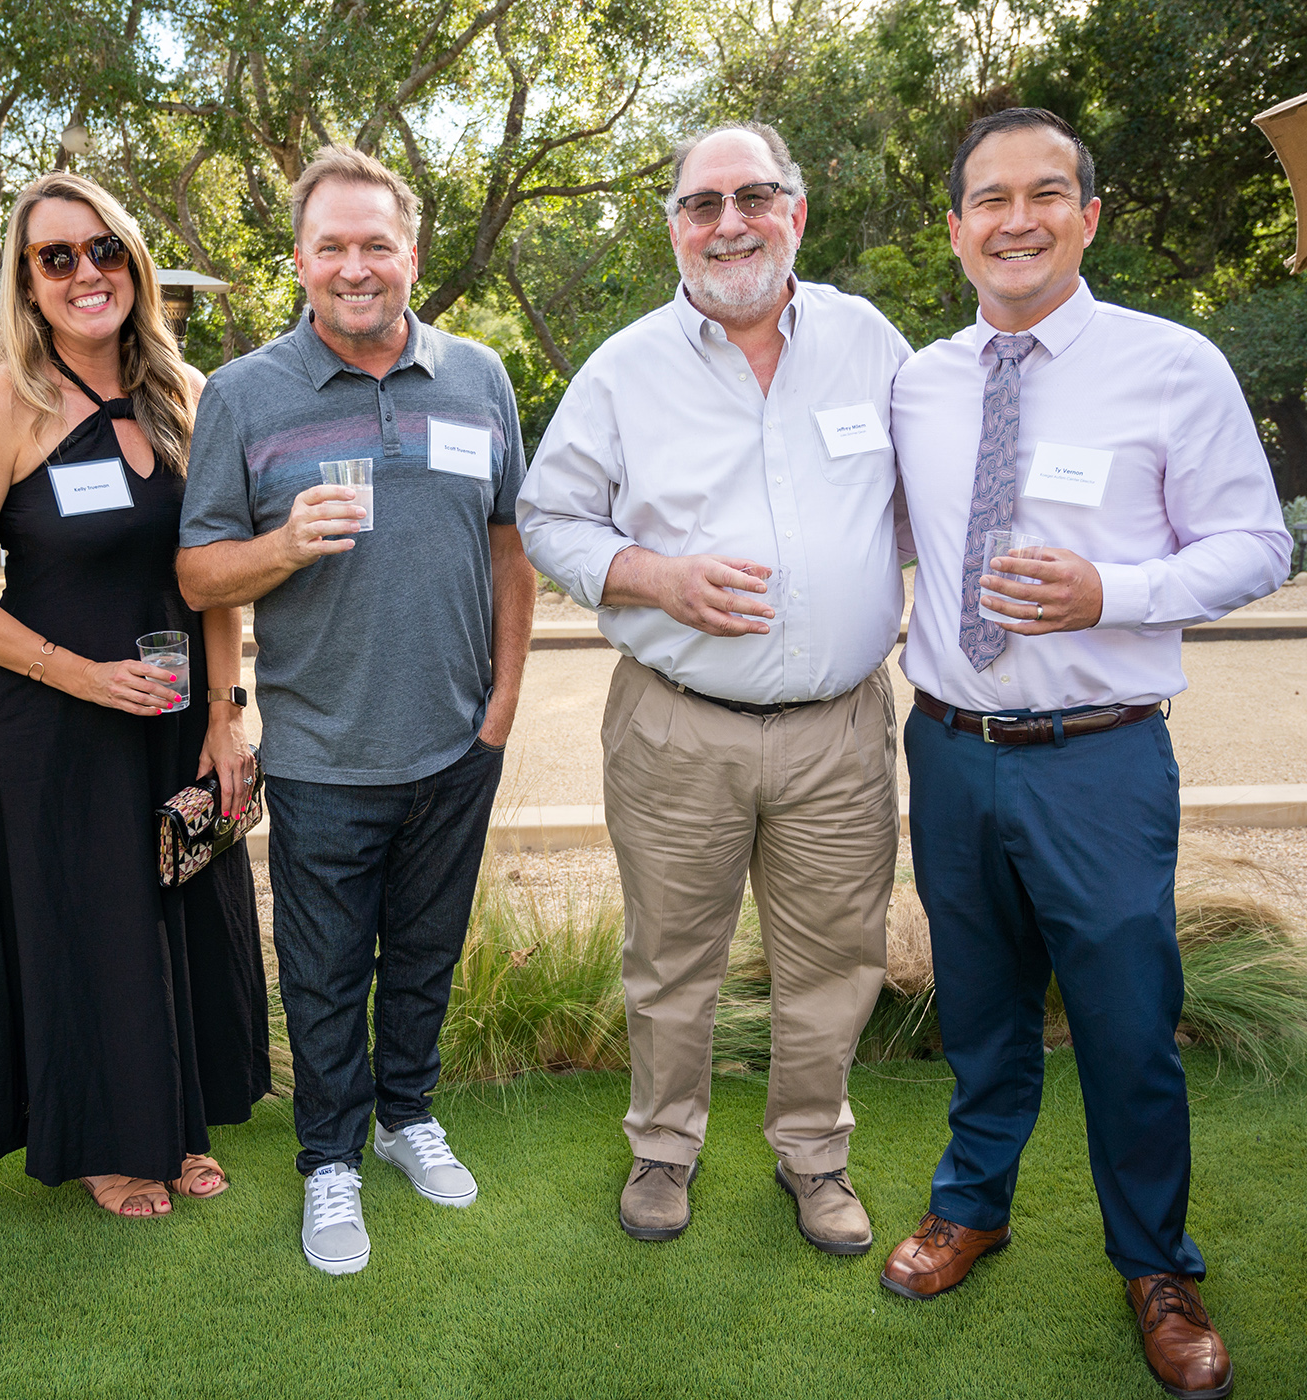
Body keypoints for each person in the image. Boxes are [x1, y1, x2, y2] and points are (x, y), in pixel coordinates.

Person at [883, 108, 1290, 1398]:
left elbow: (1256, 545)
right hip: (947, 747)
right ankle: (971, 1203)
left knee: (1125, 1023)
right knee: (982, 1008)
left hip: (1099, 758)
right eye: (988, 198)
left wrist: (1107, 590)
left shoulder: (1170, 365)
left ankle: (1154, 1261)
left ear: (1088, 216)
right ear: (953, 229)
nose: (1015, 218)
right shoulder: (918, 380)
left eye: (1043, 193)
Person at [519, 123, 911, 1252]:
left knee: (834, 956)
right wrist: (654, 577)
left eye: (751, 197)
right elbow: (549, 515)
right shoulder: (623, 366)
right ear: (675, 227)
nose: (727, 222)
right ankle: (662, 1147)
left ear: (794, 210)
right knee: (671, 955)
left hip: (839, 730)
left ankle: (813, 1155)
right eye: (701, 204)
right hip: (675, 727)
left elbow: (925, 491)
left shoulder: (866, 342)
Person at [176, 145, 535, 1276]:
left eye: (375, 242)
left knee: (423, 952)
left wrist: (506, 697)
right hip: (326, 749)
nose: (355, 264)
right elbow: (196, 577)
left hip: (455, 740)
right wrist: (280, 546)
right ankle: (330, 1155)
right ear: (299, 261)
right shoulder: (243, 394)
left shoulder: (477, 375)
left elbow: (509, 542)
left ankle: (406, 1115)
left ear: (410, 254)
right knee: (326, 969)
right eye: (330, 245)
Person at [0, 173, 270, 1218]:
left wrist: (224, 707)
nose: (85, 273)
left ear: (134, 261)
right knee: (93, 924)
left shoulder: (188, 393)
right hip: (59, 720)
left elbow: (216, 566)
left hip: (174, 715)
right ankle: (115, 1141)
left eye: (103, 249)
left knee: (179, 905)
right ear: (27, 282)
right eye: (55, 257)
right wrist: (80, 674)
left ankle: (179, 1120)